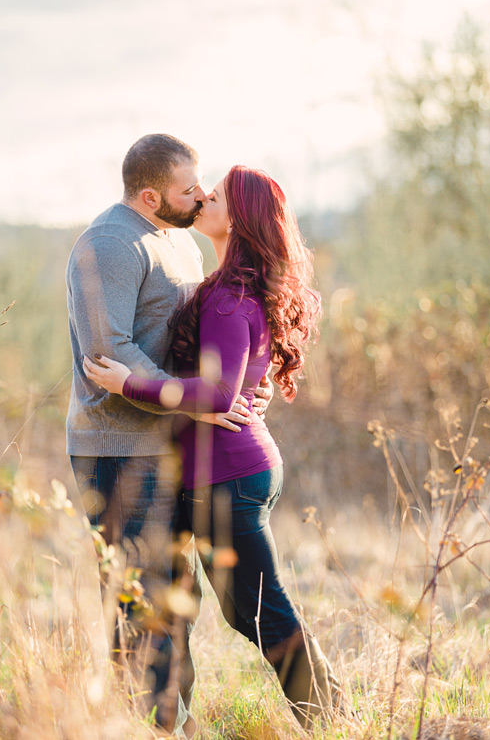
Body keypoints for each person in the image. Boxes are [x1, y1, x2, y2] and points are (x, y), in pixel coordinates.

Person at [83, 165, 346, 731]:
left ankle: (333, 719)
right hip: (232, 470)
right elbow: (241, 377)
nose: (204, 197)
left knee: (260, 611)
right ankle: (333, 713)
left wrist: (126, 383)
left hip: (230, 475)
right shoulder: (232, 283)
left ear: (241, 217)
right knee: (245, 609)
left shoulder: (229, 296)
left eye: (217, 194)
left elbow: (221, 391)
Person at [66, 133, 263, 736]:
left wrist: (244, 381)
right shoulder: (108, 245)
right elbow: (108, 354)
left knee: (180, 595)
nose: (201, 196)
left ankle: (172, 721)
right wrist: (191, 407)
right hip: (117, 450)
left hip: (168, 446)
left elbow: (201, 341)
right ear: (151, 196)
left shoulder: (180, 244)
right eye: (187, 189)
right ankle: (143, 726)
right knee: (138, 602)